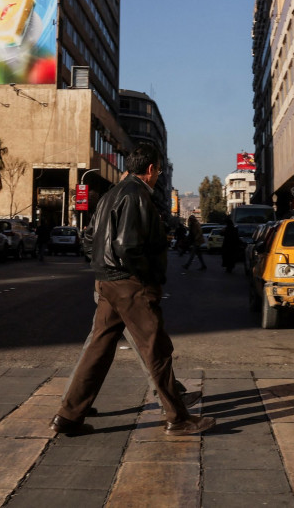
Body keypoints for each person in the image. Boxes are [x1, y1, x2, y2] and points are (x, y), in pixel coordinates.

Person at [52, 145, 213, 437]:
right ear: (151, 169)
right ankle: (177, 418)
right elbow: (127, 246)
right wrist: (147, 279)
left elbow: (88, 239)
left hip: (106, 281)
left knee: (98, 348)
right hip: (129, 283)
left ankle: (69, 415)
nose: (158, 176)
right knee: (157, 349)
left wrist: (101, 264)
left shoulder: (111, 194)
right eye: (159, 171)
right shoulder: (137, 195)